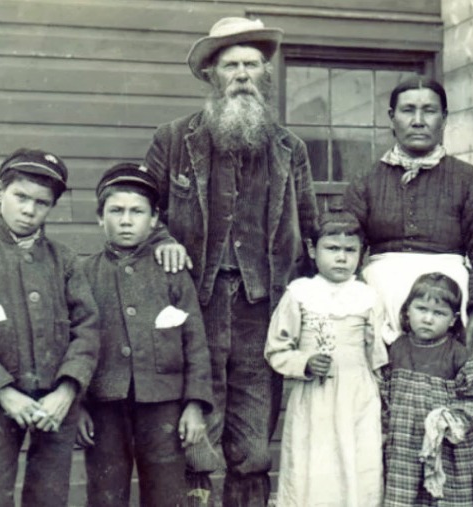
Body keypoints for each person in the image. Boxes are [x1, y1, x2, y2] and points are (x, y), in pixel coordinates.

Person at [142, 16, 319, 506]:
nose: (242, 74)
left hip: (262, 311)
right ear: (211, 76)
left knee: (253, 439)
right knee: (194, 432)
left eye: (252, 65)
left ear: (265, 74)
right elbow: (143, 209)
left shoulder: (290, 149)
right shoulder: (174, 140)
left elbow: (311, 227)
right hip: (191, 306)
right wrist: (162, 237)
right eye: (230, 65)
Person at [344, 77, 473, 505]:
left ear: (445, 118)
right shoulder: (366, 179)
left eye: (429, 110)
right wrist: (362, 316)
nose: (419, 119)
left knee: (459, 417)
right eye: (408, 110)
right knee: (383, 415)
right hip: (380, 312)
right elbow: (344, 241)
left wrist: (468, 329)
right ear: (391, 119)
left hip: (452, 311)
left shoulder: (470, 180)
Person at [0, 148, 100, 506]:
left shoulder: (65, 260)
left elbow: (88, 329)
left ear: (52, 207)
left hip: (56, 402)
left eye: (41, 203)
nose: (29, 210)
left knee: (49, 493)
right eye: (20, 197)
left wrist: (67, 391)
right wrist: (4, 392)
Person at [75, 163, 214, 507]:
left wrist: (195, 405)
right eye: (116, 211)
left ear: (154, 220)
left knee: (166, 494)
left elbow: (194, 342)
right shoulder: (83, 274)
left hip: (164, 405)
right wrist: (76, 406)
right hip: (104, 403)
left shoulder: (172, 271)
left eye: (137, 212)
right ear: (99, 218)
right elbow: (71, 343)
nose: (125, 220)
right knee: (105, 494)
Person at [264, 211, 390, 507]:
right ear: (312, 249)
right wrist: (304, 363)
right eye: (332, 249)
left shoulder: (368, 297)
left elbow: (378, 356)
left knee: (359, 464)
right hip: (315, 398)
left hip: (358, 396)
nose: (342, 258)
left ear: (363, 254)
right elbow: (276, 348)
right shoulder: (300, 294)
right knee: (313, 468)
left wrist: (383, 398)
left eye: (350, 250)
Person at [383, 272, 473, 507]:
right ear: (407, 311)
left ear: (452, 320)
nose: (428, 319)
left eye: (439, 313)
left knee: (446, 498)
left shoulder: (460, 357)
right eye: (421, 309)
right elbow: (383, 394)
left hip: (447, 450)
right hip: (403, 447)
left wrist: (448, 420)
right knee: (404, 497)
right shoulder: (396, 350)